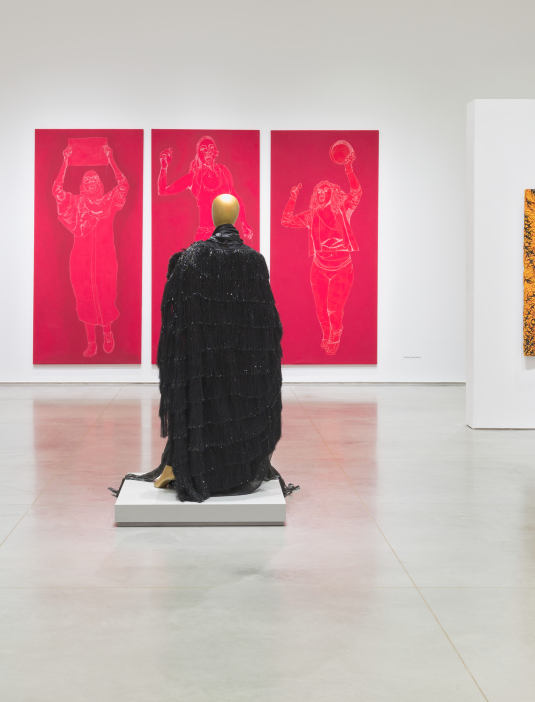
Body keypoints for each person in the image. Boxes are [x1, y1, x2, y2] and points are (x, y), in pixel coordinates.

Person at [124, 194, 287, 502]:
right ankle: (237, 468)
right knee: (237, 407)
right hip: (241, 358)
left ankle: (197, 467)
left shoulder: (195, 256)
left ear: (213, 216)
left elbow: (177, 313)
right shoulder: (253, 259)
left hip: (205, 358)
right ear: (236, 216)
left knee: (207, 407)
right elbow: (268, 322)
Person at [280, 141, 363, 355]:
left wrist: (348, 168)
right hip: (319, 267)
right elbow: (287, 220)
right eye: (317, 191)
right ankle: (327, 334)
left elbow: (356, 191)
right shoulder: (312, 215)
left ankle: (336, 332)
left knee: (334, 308)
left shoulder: (343, 210)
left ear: (332, 194)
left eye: (324, 191)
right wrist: (293, 196)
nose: (319, 193)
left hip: (342, 267)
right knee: (320, 310)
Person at [52, 142, 129, 358]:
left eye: (95, 178)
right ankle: (91, 341)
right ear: (83, 185)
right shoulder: (75, 204)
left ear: (100, 184)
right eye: (88, 179)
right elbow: (57, 191)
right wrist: (65, 162)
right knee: (84, 296)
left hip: (106, 259)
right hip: (80, 260)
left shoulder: (108, 203)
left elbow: (123, 185)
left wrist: (111, 160)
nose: (92, 181)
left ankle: (107, 333)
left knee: (106, 294)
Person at [157, 135, 253, 243]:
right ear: (199, 154)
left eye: (211, 147)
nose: (208, 151)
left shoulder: (224, 172)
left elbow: (235, 197)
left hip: (226, 234)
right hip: (204, 236)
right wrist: (164, 167)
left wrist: (244, 222)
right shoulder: (194, 177)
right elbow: (163, 191)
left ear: (215, 151)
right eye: (203, 149)